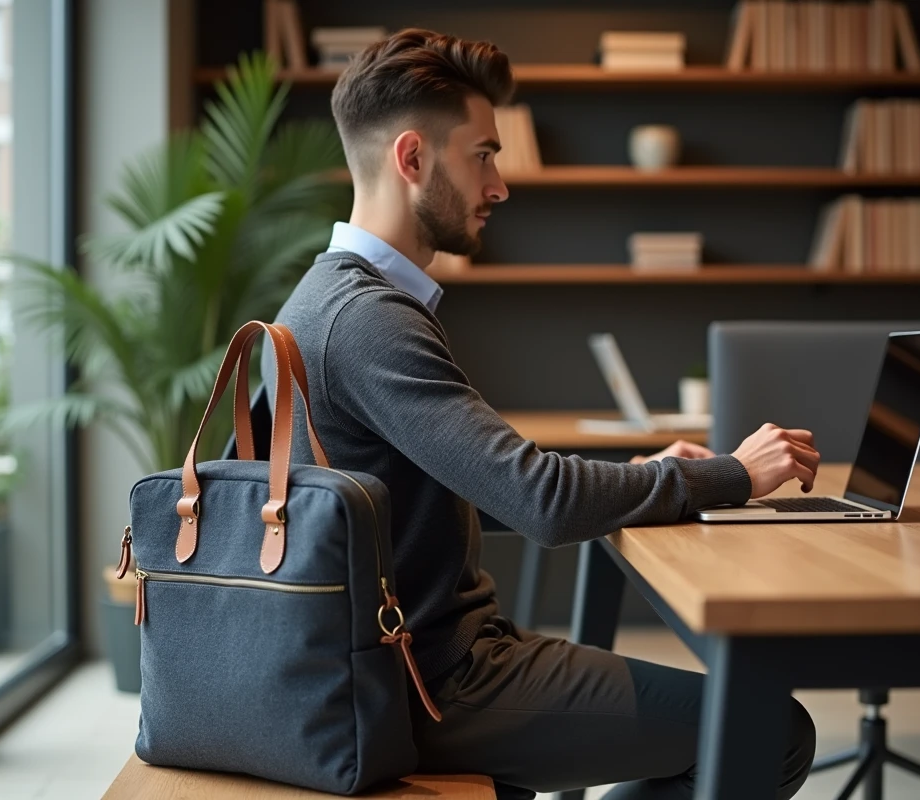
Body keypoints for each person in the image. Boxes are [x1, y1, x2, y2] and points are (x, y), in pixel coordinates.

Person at [264, 28, 818, 800]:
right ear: (413, 159)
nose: (500, 186)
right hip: (433, 682)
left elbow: (486, 490)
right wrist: (734, 476)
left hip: (398, 659)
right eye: (484, 154)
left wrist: (650, 477)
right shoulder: (367, 320)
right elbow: (542, 502)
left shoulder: (320, 299)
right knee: (770, 731)